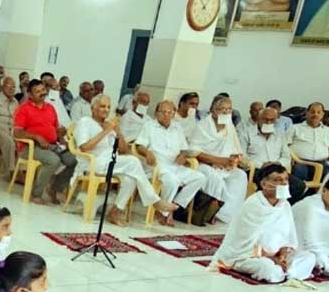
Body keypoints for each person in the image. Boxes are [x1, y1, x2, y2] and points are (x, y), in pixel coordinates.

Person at [73, 94, 176, 225]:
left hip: (111, 162)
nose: (106, 110)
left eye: (108, 107)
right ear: (93, 108)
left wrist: (118, 132)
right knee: (133, 161)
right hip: (92, 162)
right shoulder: (85, 122)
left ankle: (115, 211)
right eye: (102, 106)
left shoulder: (108, 124)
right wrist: (105, 132)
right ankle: (155, 201)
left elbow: (123, 150)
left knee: (130, 178)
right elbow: (84, 147)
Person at [211, 163, 316, 283]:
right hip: (247, 256)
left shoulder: (285, 204)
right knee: (267, 268)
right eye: (277, 180)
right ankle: (288, 273)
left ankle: (286, 272)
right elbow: (246, 244)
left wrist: (282, 255)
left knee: (309, 257)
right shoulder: (253, 204)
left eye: (286, 179)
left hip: (275, 254)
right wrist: (273, 259)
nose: (284, 183)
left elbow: (287, 237)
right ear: (264, 184)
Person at [136, 100, 207, 226]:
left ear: (174, 114)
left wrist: (183, 155)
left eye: (169, 112)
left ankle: (173, 206)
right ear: (156, 113)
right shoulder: (149, 126)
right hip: (157, 166)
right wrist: (147, 152)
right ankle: (163, 212)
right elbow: (139, 145)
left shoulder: (177, 127)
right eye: (163, 112)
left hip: (175, 165)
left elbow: (184, 149)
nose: (166, 115)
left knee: (200, 178)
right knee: (172, 181)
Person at [13, 79, 76, 206]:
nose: (42, 93)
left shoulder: (50, 108)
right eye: (38, 91)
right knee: (53, 160)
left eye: (43, 90)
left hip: (51, 145)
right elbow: (17, 132)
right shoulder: (24, 109)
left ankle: (54, 189)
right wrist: (36, 137)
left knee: (72, 160)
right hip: (30, 147)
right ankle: (36, 194)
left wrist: (61, 137)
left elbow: (56, 129)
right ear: (30, 95)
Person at [190, 96, 247, 225]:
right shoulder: (203, 126)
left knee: (240, 176)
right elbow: (194, 151)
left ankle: (226, 214)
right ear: (213, 110)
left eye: (229, 109)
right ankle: (210, 213)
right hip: (204, 164)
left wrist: (233, 161)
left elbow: (236, 149)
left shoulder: (230, 126)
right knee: (214, 178)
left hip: (224, 166)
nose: (226, 112)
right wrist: (217, 160)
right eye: (222, 109)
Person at [289, 102, 329, 182]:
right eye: (312, 112)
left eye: (318, 112)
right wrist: (290, 156)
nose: (315, 114)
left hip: (322, 162)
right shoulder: (294, 128)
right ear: (307, 113)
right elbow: (285, 145)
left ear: (322, 115)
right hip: (299, 161)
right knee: (299, 172)